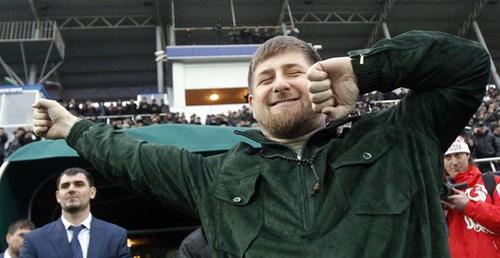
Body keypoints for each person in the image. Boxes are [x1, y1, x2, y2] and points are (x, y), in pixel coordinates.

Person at [32, 31, 490, 257]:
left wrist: (366, 69)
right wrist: (73, 127)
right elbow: (132, 156)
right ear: (251, 102)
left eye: (295, 72)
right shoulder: (216, 177)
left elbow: (468, 66)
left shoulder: (400, 138)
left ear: (323, 78)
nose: (281, 85)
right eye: (266, 79)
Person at [19, 168, 131, 258]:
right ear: (58, 196)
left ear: (92, 192)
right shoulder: (34, 240)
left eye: (79, 184)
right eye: (65, 186)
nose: (71, 189)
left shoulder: (115, 236)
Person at [442, 137, 500, 257]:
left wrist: (469, 206)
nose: (454, 162)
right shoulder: (437, 192)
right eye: (448, 157)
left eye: (458, 155)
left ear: (468, 155)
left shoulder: (492, 182)